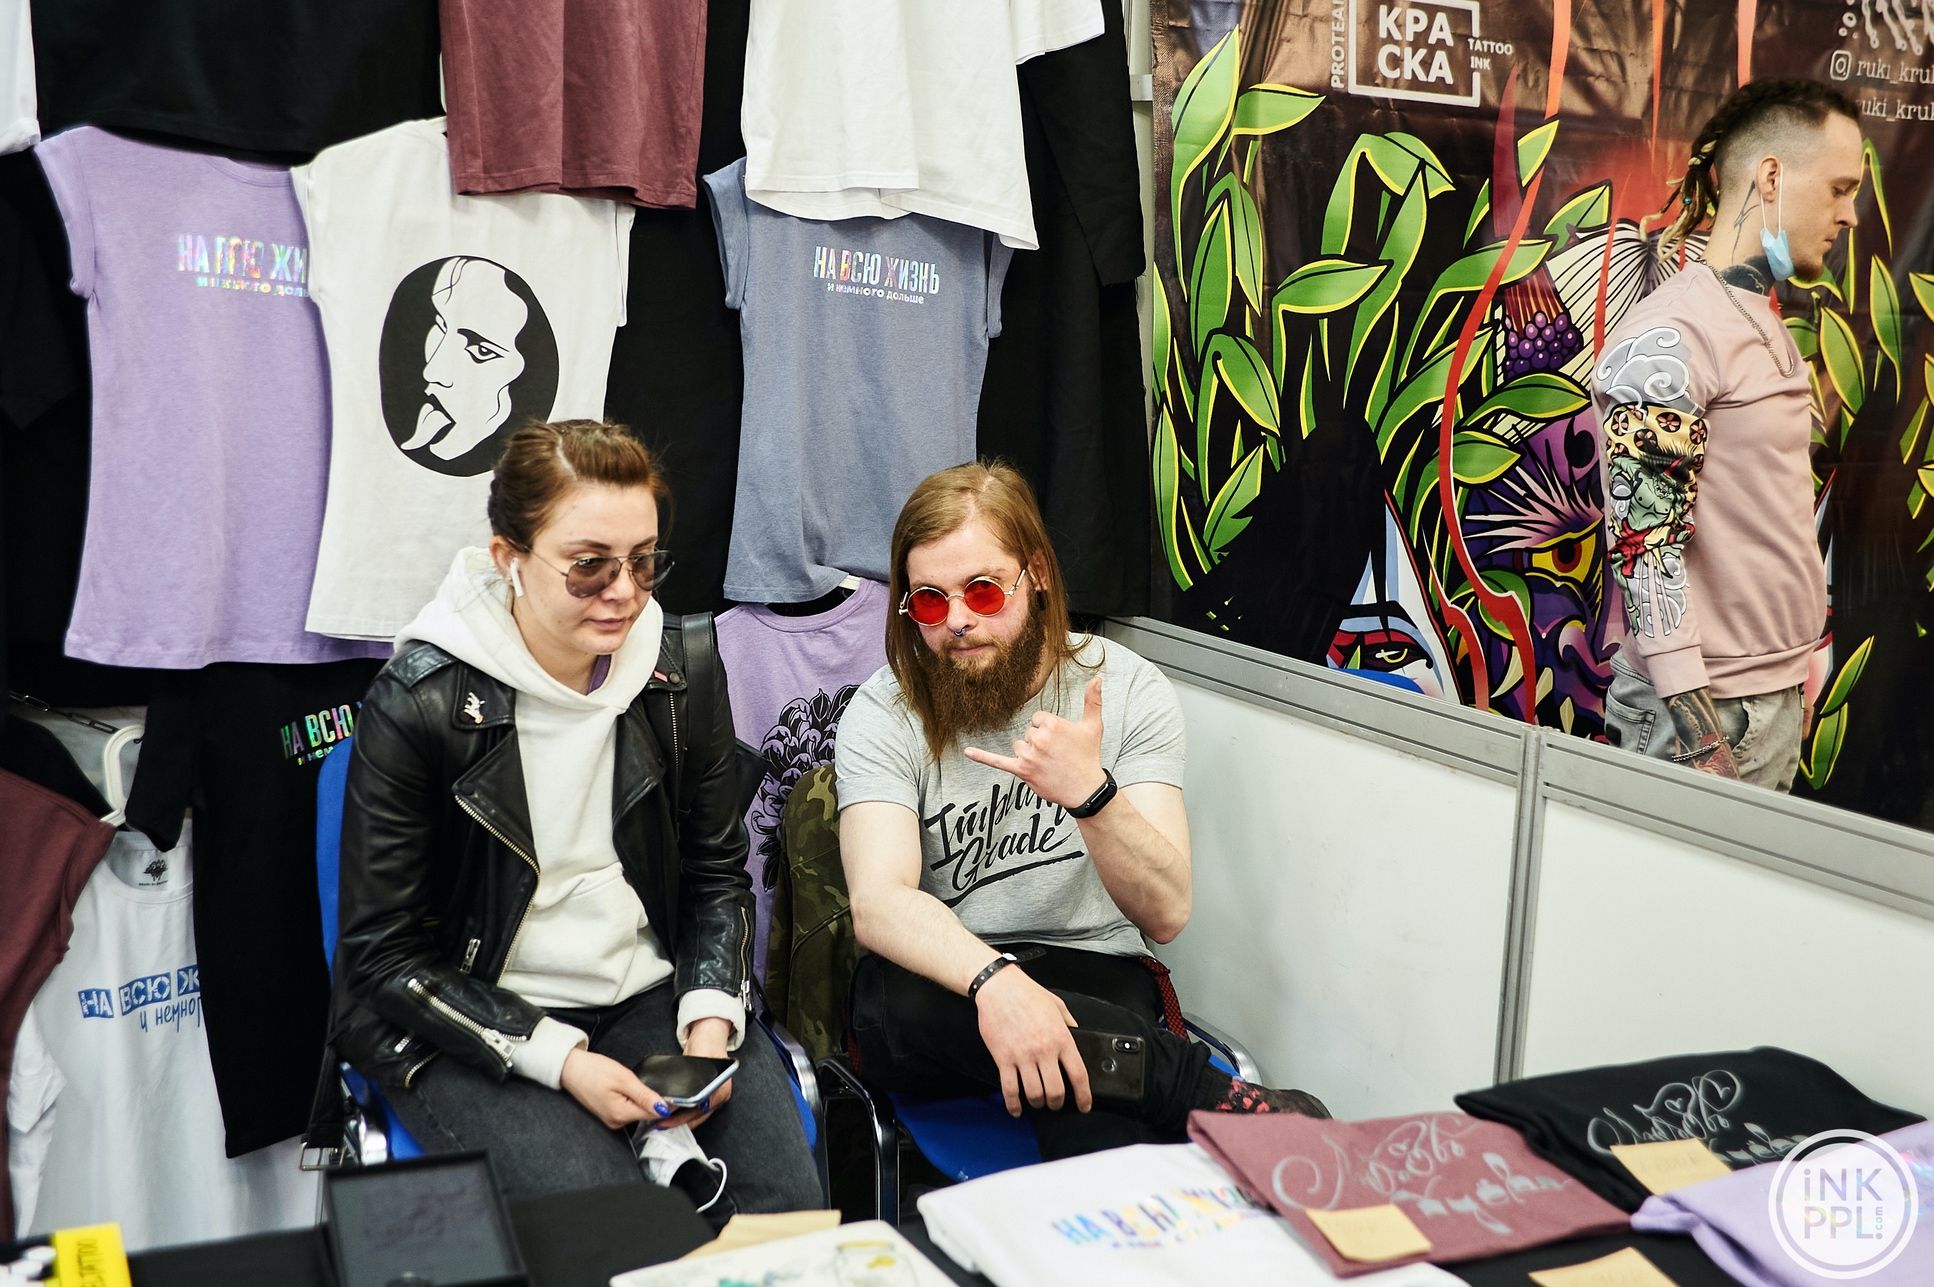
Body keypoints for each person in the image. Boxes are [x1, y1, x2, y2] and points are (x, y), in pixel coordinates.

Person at [329, 419, 820, 1210]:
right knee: (614, 1230)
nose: (623, 591)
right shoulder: (419, 700)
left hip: (649, 990)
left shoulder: (679, 668)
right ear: (509, 558)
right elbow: (384, 959)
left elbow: (715, 875)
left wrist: (709, 1016)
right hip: (480, 1011)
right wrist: (562, 1059)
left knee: (784, 1219)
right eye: (589, 566)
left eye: (644, 560)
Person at [835, 462, 1327, 1160]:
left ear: (1036, 573)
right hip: (944, 989)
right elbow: (880, 903)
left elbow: (1167, 913)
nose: (959, 621)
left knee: (1099, 1129)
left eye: (982, 590)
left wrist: (1092, 796)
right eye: (930, 603)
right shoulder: (884, 709)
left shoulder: (1127, 690)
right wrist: (996, 983)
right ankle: (1206, 1094)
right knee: (902, 999)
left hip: (1093, 972)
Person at [1594, 80, 1862, 789]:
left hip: (1758, 701)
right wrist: (1701, 738)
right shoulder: (1673, 334)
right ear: (1771, 176)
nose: (1850, 214)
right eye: (1839, 189)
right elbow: (1646, 550)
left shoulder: (1754, 315)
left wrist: (1788, 681)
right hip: (1704, 719)